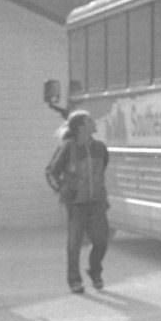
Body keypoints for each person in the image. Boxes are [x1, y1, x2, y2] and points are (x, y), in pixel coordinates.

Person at [47, 110, 109, 294]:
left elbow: (103, 168)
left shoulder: (100, 147)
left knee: (101, 241)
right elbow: (51, 172)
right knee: (74, 243)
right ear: (81, 127)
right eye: (90, 120)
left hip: (97, 202)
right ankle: (74, 280)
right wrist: (63, 189)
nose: (94, 122)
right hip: (76, 204)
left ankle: (95, 270)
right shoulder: (68, 147)